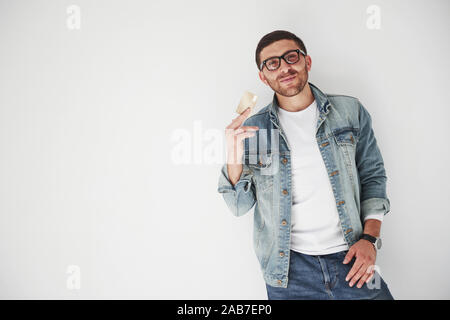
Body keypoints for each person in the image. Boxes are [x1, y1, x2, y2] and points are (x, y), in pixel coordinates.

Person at [217, 30, 394, 300]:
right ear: (263, 77)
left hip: (353, 258)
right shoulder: (253, 130)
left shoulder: (349, 111)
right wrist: (232, 154)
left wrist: (370, 240)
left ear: (306, 62)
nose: (284, 67)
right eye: (272, 63)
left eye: (291, 57)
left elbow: (372, 176)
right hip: (289, 273)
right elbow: (239, 206)